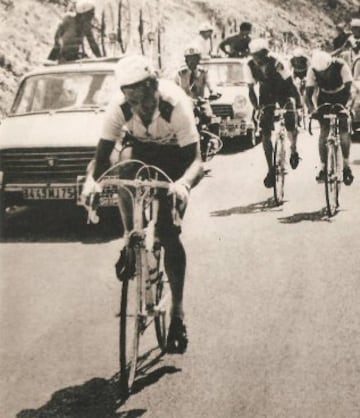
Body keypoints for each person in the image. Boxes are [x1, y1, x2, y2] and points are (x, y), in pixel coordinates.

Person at [81, 55, 204, 354]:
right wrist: (92, 182)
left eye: (146, 99)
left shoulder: (175, 105)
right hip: (142, 151)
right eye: (133, 101)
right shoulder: (119, 109)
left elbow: (196, 161)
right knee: (123, 172)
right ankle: (130, 238)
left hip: (176, 158)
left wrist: (183, 185)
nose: (141, 108)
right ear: (125, 96)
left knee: (169, 233)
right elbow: (101, 158)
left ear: (156, 87)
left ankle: (177, 313)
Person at [246, 38, 302, 188]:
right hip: (267, 93)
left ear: (266, 54)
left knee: (291, 119)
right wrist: (257, 108)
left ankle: (294, 149)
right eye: (254, 56)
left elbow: (291, 84)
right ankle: (271, 169)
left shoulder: (278, 62)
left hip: (284, 90)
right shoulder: (249, 65)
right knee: (265, 130)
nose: (257, 60)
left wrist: (299, 105)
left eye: (260, 56)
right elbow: (251, 90)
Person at [305, 50, 354, 185]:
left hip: (342, 95)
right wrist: (312, 110)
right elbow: (307, 95)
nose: (323, 75)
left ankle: (346, 165)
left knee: (343, 130)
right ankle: (322, 166)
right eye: (320, 73)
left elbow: (351, 92)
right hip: (324, 97)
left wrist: (347, 108)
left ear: (330, 64)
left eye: (325, 71)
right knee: (324, 132)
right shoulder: (313, 70)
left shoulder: (341, 65)